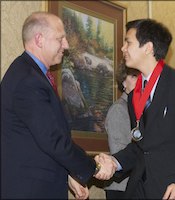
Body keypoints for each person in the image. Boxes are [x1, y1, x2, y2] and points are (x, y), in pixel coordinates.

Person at [1, 11, 116, 199]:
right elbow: (52, 139)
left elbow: (40, 140)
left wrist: (69, 172)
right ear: (39, 39)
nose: (67, 45)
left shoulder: (30, 74)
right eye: (60, 38)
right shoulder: (28, 80)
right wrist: (93, 167)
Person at [95, 18, 175, 199]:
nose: (123, 48)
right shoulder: (134, 96)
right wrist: (114, 161)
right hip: (140, 191)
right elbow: (141, 147)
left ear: (148, 47)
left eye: (128, 42)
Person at [104, 62, 139, 199]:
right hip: (122, 188)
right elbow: (119, 151)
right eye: (134, 76)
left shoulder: (140, 110)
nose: (140, 80)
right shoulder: (119, 109)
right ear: (123, 82)